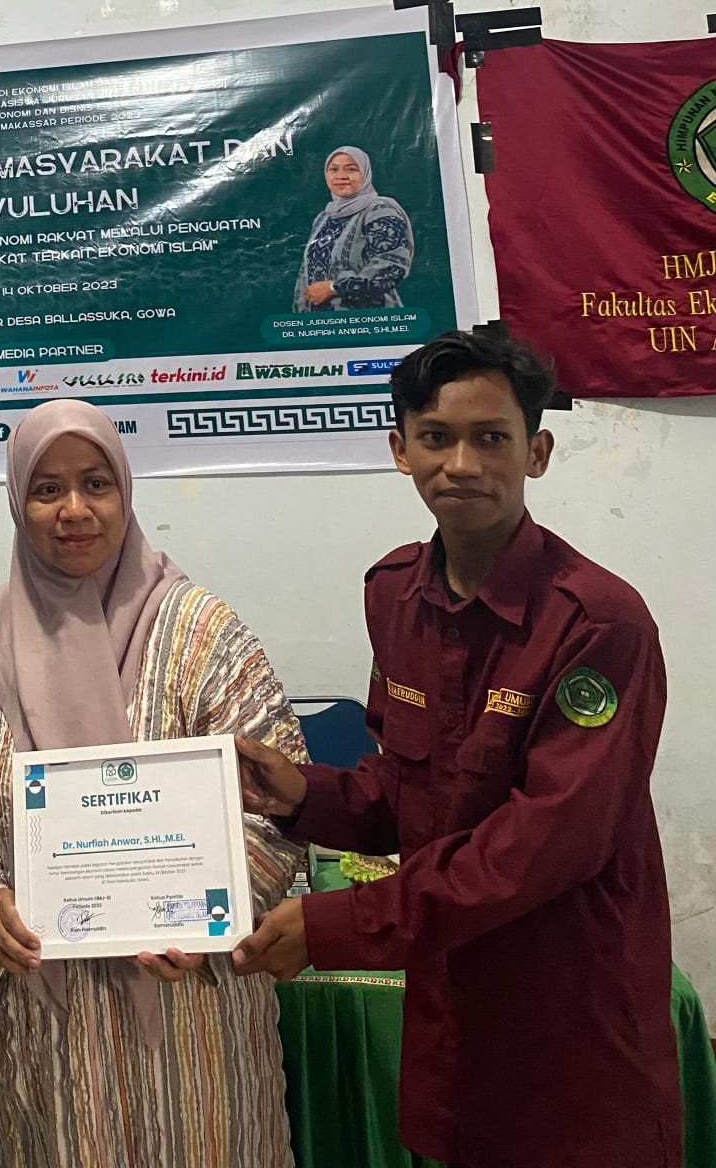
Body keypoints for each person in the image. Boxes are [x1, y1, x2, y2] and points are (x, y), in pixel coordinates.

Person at [232, 330, 682, 1168]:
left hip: (570, 1017)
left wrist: (341, 924)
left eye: (492, 438)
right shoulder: (396, 595)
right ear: (400, 451)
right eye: (436, 437)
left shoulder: (598, 624)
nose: (462, 464)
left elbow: (542, 845)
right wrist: (302, 794)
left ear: (537, 453)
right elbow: (414, 790)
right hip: (451, 1012)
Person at [0, 399, 304, 1167]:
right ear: (17, 500)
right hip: (52, 1023)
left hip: (195, 1011)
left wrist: (206, 916)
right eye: (47, 489)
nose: (74, 509)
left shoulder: (202, 631)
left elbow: (278, 798)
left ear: (125, 491)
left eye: (96, 483)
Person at [293, 146, 414, 312]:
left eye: (351, 169)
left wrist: (334, 288)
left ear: (365, 173)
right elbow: (306, 271)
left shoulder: (379, 210)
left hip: (369, 320)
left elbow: (392, 266)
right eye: (333, 169)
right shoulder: (324, 217)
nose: (341, 176)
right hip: (323, 323)